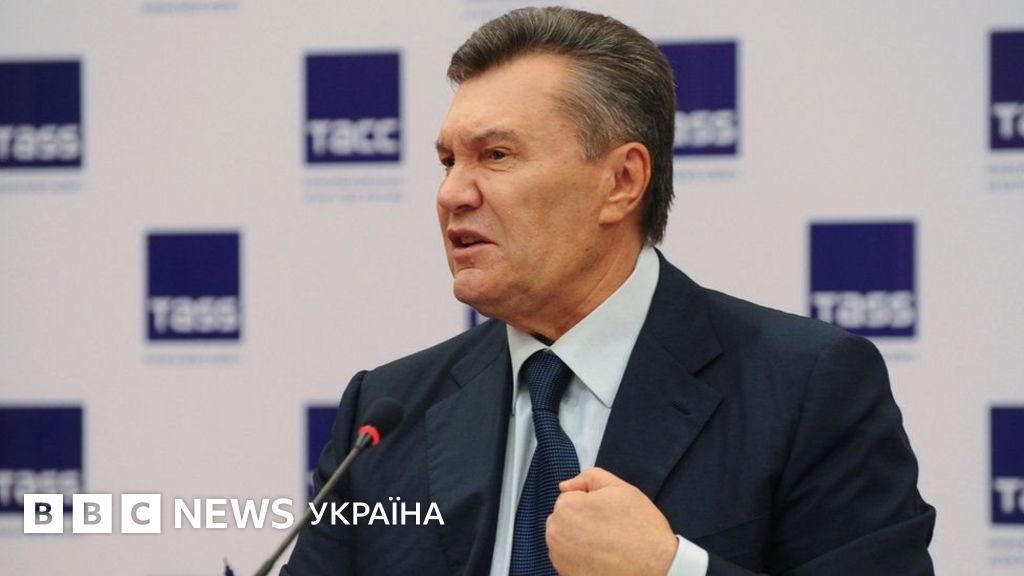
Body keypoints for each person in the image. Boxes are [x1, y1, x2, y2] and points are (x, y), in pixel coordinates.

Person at [283, 7, 935, 575]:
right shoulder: (386, 412)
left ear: (622, 181)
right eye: (448, 161)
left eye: (496, 156)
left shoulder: (805, 388)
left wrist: (668, 570)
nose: (452, 193)